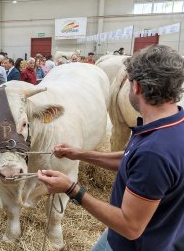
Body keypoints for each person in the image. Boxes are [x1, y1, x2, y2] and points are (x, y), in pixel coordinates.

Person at [37, 45, 184, 251]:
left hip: (131, 243)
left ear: (137, 87)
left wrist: (71, 189)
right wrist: (79, 153)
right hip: (129, 234)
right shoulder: (172, 123)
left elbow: (130, 226)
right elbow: (131, 159)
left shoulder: (155, 151)